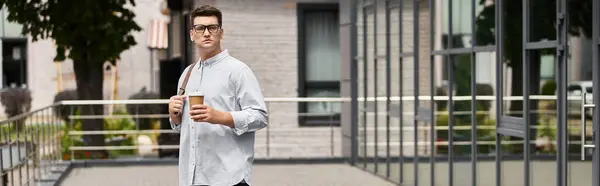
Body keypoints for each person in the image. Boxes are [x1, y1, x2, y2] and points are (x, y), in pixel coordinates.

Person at [168, 5, 268, 186]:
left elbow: (260, 116)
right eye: (200, 28)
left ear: (221, 33)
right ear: (192, 34)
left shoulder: (238, 71)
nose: (206, 33)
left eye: (212, 27)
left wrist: (220, 117)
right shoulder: (187, 74)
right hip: (192, 178)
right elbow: (183, 127)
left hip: (228, 178)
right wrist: (174, 116)